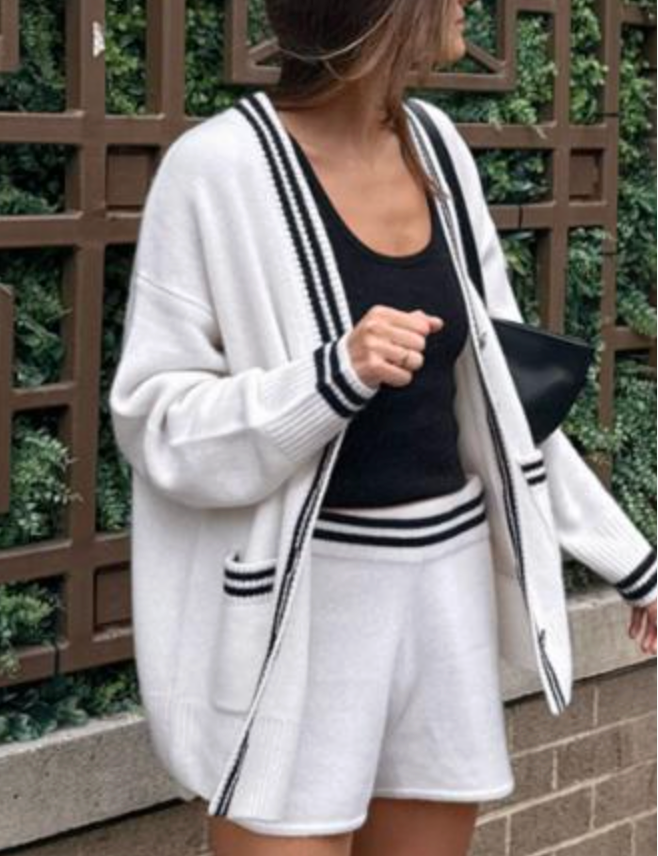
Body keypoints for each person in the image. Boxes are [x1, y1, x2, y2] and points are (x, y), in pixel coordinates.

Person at [109, 1, 657, 854]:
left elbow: (502, 399)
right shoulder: (216, 168)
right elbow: (155, 422)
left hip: (442, 601)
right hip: (301, 618)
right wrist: (332, 376)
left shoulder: (436, 147)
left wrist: (629, 560)